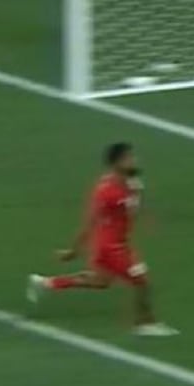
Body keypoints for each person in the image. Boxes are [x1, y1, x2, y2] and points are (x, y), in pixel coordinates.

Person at [27, 143, 178, 337]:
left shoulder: (133, 180)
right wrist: (73, 250)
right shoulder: (105, 190)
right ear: (117, 162)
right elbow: (91, 221)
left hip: (119, 242)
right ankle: (145, 323)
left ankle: (46, 283)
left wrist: (145, 215)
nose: (134, 160)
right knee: (142, 280)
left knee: (101, 281)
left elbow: (136, 202)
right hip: (110, 247)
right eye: (129, 158)